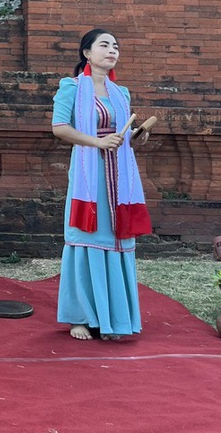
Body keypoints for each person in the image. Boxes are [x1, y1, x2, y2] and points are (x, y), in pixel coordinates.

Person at [51, 28, 152, 341]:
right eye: (105, 45)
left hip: (120, 178)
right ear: (86, 53)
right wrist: (97, 141)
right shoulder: (71, 87)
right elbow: (59, 128)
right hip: (89, 176)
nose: (112, 50)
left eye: (116, 46)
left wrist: (137, 138)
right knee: (86, 236)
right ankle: (79, 317)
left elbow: (120, 139)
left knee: (115, 240)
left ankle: (112, 319)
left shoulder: (121, 93)